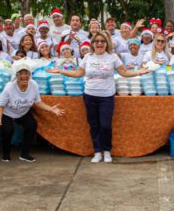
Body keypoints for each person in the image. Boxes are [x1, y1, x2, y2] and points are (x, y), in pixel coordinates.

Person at [48, 31, 149, 163]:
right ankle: (97, 151)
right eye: (97, 41)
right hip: (90, 95)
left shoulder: (112, 57)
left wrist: (139, 72)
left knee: (105, 125)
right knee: (94, 125)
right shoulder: (88, 57)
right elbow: (78, 73)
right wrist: (61, 71)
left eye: (102, 41)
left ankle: (107, 151)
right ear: (93, 44)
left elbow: (124, 72)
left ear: (106, 44)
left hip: (107, 97)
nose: (100, 43)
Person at [0, 63, 65, 162]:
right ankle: (6, 154)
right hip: (7, 112)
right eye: (21, 74)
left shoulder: (34, 84)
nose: (24, 76)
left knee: (32, 125)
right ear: (16, 76)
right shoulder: (10, 87)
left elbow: (37, 101)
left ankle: (24, 154)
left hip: (23, 111)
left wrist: (51, 109)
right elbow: (0, 105)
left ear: (30, 75)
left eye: (26, 73)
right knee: (7, 130)